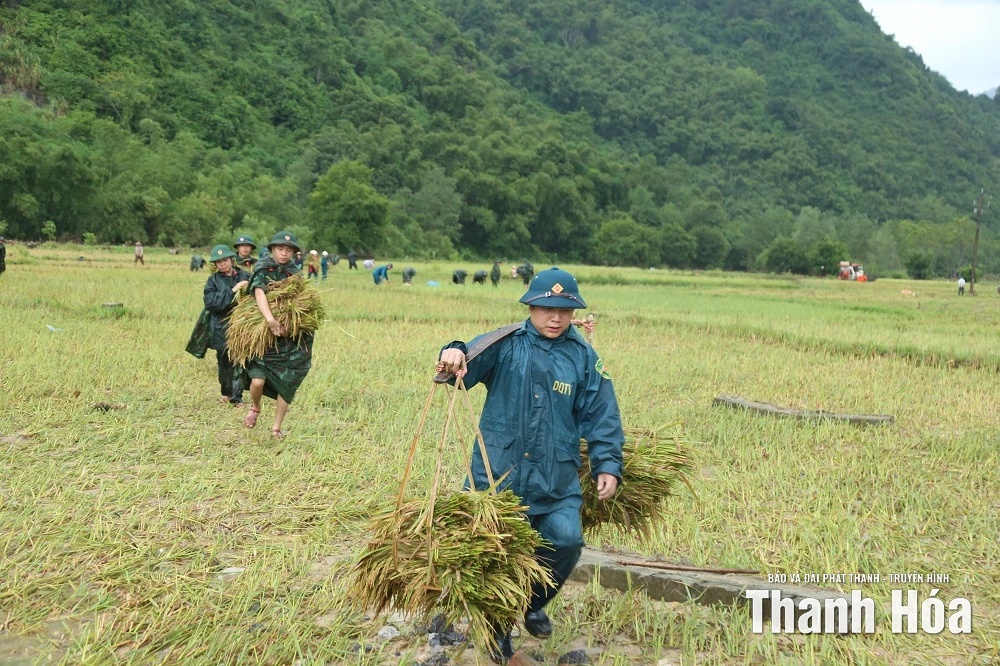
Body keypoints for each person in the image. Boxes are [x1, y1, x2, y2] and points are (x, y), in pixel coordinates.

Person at [436, 267, 623, 664]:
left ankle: (533, 602)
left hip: (556, 476)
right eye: (546, 308)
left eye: (564, 310)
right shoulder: (505, 343)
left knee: (567, 540)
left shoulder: (583, 356)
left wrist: (608, 463)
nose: (555, 317)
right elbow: (457, 366)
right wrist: (451, 351)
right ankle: (498, 632)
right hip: (498, 476)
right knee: (496, 556)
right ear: (530, 306)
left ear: (574, 313)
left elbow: (602, 413)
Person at [244, 231, 314, 439]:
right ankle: (255, 407)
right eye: (280, 249)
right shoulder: (263, 268)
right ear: (272, 249)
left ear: (293, 252)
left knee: (288, 382)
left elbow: (303, 302)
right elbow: (258, 292)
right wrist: (270, 320)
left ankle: (276, 427)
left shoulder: (295, 273)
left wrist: (290, 324)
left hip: (289, 338)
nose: (284, 254)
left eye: (289, 250)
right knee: (257, 381)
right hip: (264, 335)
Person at [203, 245, 250, 405]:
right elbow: (211, 303)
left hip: (241, 326)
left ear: (231, 259)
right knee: (224, 363)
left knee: (240, 361)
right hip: (221, 327)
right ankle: (226, 392)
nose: (222, 264)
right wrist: (233, 290)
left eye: (225, 260)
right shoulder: (213, 280)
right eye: (218, 262)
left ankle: (237, 397)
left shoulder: (245, 275)